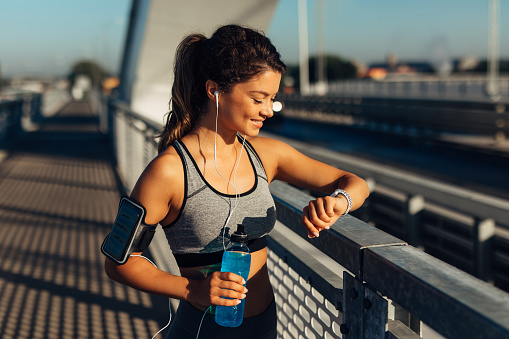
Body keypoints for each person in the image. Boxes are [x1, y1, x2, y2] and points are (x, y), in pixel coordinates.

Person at [104, 24, 369, 339]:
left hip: (263, 326)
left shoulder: (266, 155)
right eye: (259, 99)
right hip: (204, 331)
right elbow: (118, 261)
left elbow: (352, 181)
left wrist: (339, 202)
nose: (268, 111)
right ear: (214, 90)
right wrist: (192, 290)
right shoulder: (169, 172)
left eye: (272, 98)